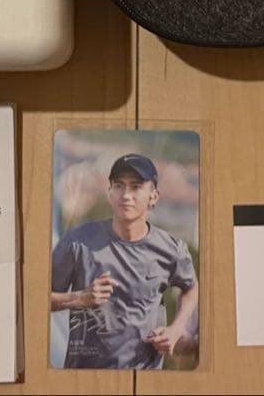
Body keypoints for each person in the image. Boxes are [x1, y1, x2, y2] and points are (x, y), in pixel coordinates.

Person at [50, 153, 199, 369]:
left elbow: (191, 288)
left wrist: (176, 329)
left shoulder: (172, 250)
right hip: (84, 379)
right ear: (110, 192)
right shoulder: (77, 241)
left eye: (136, 187)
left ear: (154, 196)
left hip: (145, 379)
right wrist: (80, 298)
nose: (126, 195)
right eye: (119, 185)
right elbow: (38, 299)